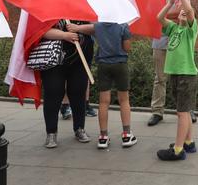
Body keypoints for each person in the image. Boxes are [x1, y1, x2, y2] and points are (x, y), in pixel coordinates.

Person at [67, 22, 137, 149]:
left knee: (103, 102)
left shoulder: (98, 26)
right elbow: (127, 48)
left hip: (103, 65)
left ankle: (103, 137)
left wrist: (75, 28)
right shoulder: (123, 26)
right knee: (124, 100)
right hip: (120, 64)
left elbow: (88, 29)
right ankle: (126, 135)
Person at [156, 0, 198, 161]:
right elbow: (159, 18)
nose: (182, 13)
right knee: (184, 110)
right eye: (179, 12)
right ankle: (188, 142)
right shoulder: (173, 29)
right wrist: (170, 3)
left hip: (186, 74)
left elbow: (189, 11)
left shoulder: (190, 31)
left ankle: (178, 150)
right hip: (175, 73)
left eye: (184, 13)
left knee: (182, 112)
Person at [148, 0, 195, 126]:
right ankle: (157, 111)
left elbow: (186, 12)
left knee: (183, 78)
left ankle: (187, 110)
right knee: (160, 78)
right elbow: (156, 17)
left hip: (180, 44)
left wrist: (169, 14)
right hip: (160, 42)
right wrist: (172, 12)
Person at [39, 20, 94, 148]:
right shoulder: (48, 7)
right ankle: (51, 132)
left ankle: (79, 128)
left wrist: (78, 28)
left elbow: (96, 27)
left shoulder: (85, 5)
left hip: (80, 58)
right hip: (54, 59)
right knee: (53, 91)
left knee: (78, 92)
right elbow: (41, 31)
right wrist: (64, 35)